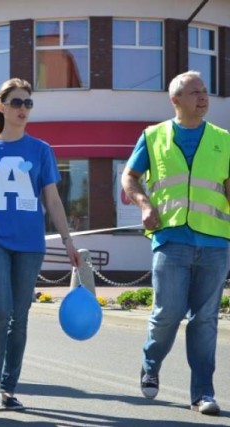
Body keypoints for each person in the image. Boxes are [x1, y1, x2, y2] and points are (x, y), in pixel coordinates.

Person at [0, 77, 80, 411]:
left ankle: (8, 387)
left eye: (28, 103)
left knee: (20, 317)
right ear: (2, 107)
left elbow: (52, 200)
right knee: (1, 310)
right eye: (17, 103)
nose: (24, 109)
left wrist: (68, 241)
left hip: (30, 244)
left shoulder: (41, 150)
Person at [121, 70, 230, 416]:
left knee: (205, 319)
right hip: (171, 240)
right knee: (168, 313)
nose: (203, 97)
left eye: (205, 91)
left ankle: (203, 393)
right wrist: (145, 206)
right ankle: (150, 364)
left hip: (215, 242)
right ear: (175, 101)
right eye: (194, 92)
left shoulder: (224, 139)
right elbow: (129, 177)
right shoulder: (154, 137)